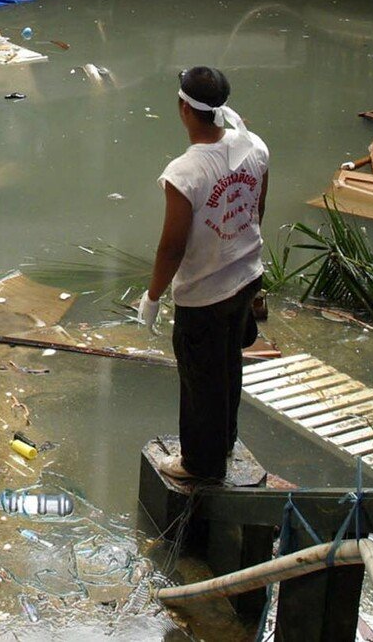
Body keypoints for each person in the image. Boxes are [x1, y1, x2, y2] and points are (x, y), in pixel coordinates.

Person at [137, 66, 269, 484]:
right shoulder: (254, 146)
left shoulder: (185, 173)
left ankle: (199, 464)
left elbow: (171, 247)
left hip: (205, 295)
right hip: (247, 278)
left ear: (184, 108)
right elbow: (257, 210)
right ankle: (224, 441)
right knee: (229, 365)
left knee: (200, 382)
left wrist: (153, 297)